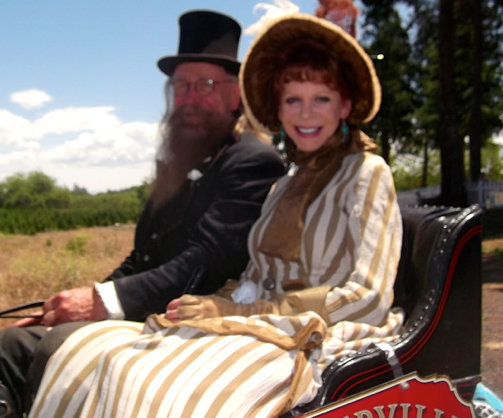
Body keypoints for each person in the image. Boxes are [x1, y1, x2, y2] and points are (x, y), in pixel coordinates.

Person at [27, 13, 404, 418]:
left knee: (164, 392)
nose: (305, 114)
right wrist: (211, 303)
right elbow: (255, 281)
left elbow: (369, 299)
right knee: (112, 359)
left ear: (345, 105)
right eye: (293, 100)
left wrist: (243, 313)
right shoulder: (284, 186)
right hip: (263, 328)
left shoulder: (367, 173)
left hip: (323, 333)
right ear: (279, 109)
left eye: (321, 99)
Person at [0, 10, 285, 418]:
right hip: (149, 314)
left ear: (235, 96)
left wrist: (102, 303)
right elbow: (141, 258)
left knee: (6, 352)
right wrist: (77, 304)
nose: (189, 97)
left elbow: (207, 263)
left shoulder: (252, 162)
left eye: (205, 84)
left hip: (197, 323)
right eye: (181, 86)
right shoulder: (178, 165)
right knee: (23, 338)